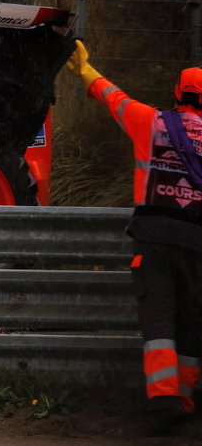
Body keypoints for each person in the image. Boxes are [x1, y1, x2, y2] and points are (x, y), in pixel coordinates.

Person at [66, 42, 202, 436]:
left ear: (178, 94)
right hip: (197, 243)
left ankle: (165, 400)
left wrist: (85, 70)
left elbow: (113, 97)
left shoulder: (152, 121)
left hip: (155, 239)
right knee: (192, 321)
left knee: (159, 318)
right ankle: (189, 396)